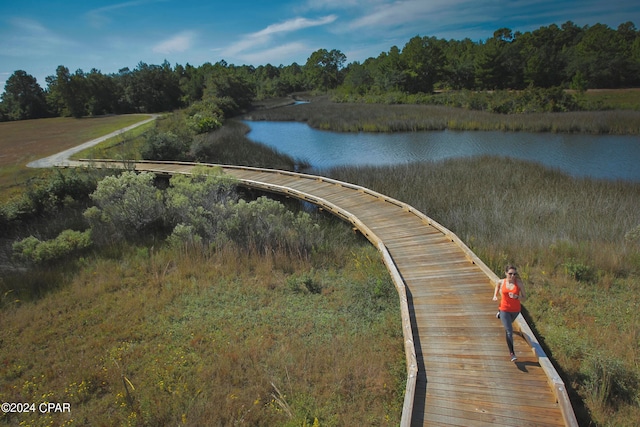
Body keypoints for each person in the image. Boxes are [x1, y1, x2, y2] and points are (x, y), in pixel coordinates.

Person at [492, 265, 526, 362]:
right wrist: (495, 295)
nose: (512, 276)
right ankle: (512, 353)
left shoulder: (519, 283)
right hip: (504, 308)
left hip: (515, 310)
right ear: (506, 273)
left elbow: (524, 297)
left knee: (509, 323)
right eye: (510, 274)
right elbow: (497, 286)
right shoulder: (502, 282)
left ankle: (499, 315)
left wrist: (516, 297)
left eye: (514, 274)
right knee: (509, 331)